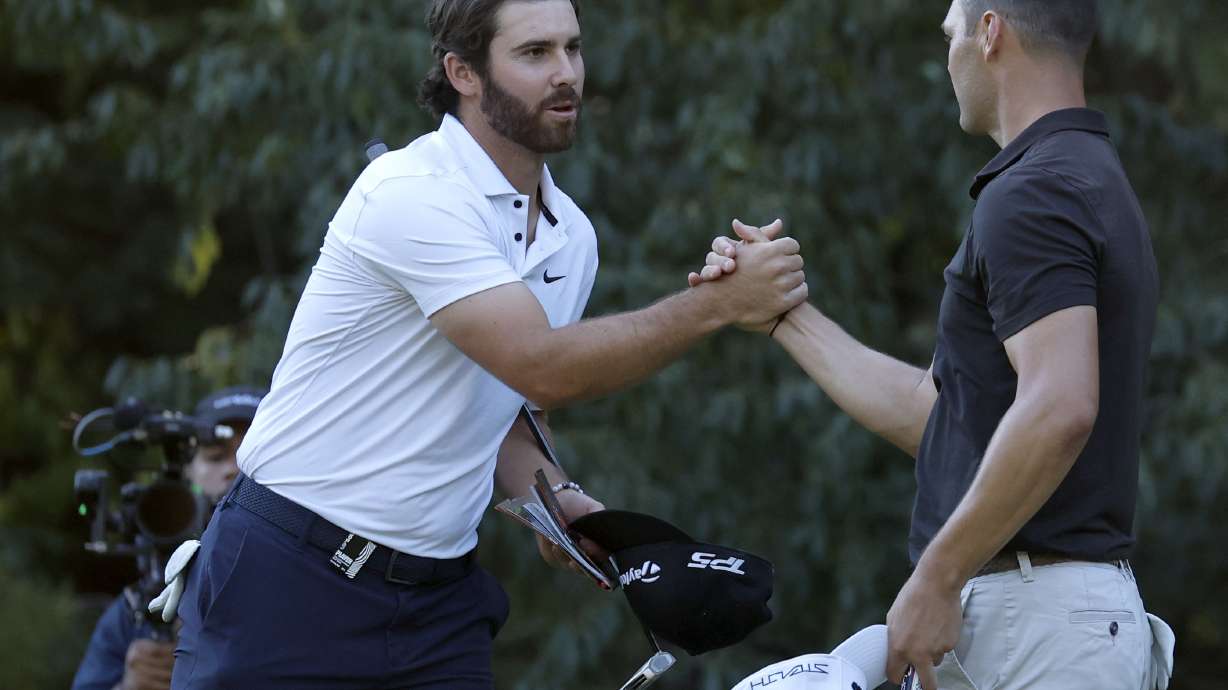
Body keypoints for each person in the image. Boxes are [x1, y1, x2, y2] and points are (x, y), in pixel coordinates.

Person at [167, 1, 807, 688]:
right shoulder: (411, 193)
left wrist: (553, 496)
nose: (566, 75)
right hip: (289, 580)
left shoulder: (574, 237)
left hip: (437, 603)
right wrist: (717, 305)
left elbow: (505, 403)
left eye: (573, 49)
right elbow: (544, 367)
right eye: (534, 54)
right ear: (462, 72)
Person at [692, 1, 1172, 688]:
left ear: (990, 32)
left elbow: (1061, 404)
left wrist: (938, 577)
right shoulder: (1081, 176)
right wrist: (783, 317)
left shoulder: (1033, 192)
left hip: (1038, 624)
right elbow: (948, 419)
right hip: (1050, 620)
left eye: (951, 34)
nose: (948, 57)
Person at [71, 387, 264, 690]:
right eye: (216, 456)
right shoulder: (138, 609)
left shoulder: (309, 582)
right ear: (187, 472)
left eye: (249, 453)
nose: (233, 469)